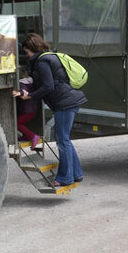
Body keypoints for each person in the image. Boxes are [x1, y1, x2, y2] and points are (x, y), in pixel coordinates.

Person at [17, 33, 86, 187]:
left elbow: (49, 86)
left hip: (65, 103)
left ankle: (64, 178)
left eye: (26, 52)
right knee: (65, 140)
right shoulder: (48, 57)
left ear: (32, 49)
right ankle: (76, 173)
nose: (26, 56)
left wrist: (31, 96)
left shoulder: (42, 62)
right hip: (68, 101)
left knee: (62, 141)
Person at [15, 71, 42, 152]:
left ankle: (33, 136)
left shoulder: (21, 84)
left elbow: (24, 92)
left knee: (17, 124)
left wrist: (18, 93)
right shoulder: (31, 81)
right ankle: (26, 136)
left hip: (27, 110)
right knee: (21, 123)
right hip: (33, 109)